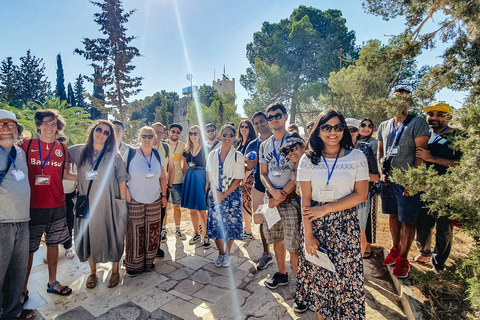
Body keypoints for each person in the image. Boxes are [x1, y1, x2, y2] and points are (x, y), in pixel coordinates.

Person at [295, 109, 369, 319]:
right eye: (326, 127)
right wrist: (308, 235)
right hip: (315, 225)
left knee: (347, 283)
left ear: (343, 130)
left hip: (345, 225)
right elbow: (306, 200)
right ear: (318, 131)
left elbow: (361, 195)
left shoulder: (357, 157)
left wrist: (325, 209)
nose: (332, 132)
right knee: (321, 283)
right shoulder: (307, 160)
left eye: (338, 127)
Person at [20, 109, 74, 300]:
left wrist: (87, 180)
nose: (49, 127)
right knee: (28, 249)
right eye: (45, 123)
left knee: (54, 245)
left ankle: (52, 282)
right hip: (32, 206)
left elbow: (65, 174)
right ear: (38, 125)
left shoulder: (62, 147)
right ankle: (23, 289)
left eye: (53, 123)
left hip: (57, 204)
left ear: (58, 126)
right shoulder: (26, 145)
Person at [68, 120, 128, 289]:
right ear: (93, 130)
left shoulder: (114, 155)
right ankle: (92, 272)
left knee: (115, 234)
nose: (102, 134)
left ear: (110, 136)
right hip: (87, 203)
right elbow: (57, 154)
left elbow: (122, 179)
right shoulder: (78, 152)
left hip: (110, 202)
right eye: (99, 130)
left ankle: (115, 270)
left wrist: (121, 204)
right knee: (88, 235)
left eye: (107, 132)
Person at [378, 87, 429, 278]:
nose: (399, 103)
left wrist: (413, 182)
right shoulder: (384, 125)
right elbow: (380, 152)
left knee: (407, 220)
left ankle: (404, 259)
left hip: (407, 182)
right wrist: (382, 172)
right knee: (392, 216)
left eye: (403, 99)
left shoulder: (417, 123)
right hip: (388, 181)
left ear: (409, 102)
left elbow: (421, 154)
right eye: (395, 99)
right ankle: (395, 250)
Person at [259, 102, 305, 311]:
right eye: (270, 117)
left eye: (277, 115)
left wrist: (283, 193)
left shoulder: (296, 142)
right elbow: (263, 173)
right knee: (276, 240)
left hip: (290, 200)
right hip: (272, 201)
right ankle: (282, 274)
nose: (273, 119)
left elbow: (300, 170)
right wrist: (272, 193)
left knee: (293, 246)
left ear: (285, 117)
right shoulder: (264, 145)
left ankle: (302, 290)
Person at [414, 102, 462, 272]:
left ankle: (439, 263)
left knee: (443, 228)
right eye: (431, 114)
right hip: (424, 188)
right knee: (422, 224)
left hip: (447, 190)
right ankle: (424, 253)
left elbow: (463, 165)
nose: (434, 117)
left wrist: (432, 159)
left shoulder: (458, 137)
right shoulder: (424, 135)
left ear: (448, 117)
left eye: (439, 114)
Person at [0, 110, 36, 320]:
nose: (5, 128)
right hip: (2, 221)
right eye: (1, 124)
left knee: (17, 269)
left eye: (10, 124)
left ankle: (13, 310)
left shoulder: (19, 151)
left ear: (17, 129)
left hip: (22, 220)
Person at [124, 126, 167, 277]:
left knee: (153, 232)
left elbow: (162, 177)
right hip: (135, 199)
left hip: (154, 199)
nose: (147, 139)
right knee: (135, 233)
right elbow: (121, 176)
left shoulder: (157, 154)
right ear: (139, 137)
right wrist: (126, 193)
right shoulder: (130, 154)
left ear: (154, 138)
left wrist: (164, 196)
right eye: (144, 136)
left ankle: (149, 263)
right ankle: (133, 266)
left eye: (150, 136)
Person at [206, 124, 245, 267]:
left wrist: (225, 194)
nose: (227, 137)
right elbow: (209, 174)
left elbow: (239, 178)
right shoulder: (212, 154)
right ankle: (220, 253)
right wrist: (215, 191)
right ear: (220, 136)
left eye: (230, 135)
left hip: (232, 196)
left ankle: (227, 253)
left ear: (234, 137)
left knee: (230, 225)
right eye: (224, 134)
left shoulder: (238, 155)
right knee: (216, 225)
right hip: (215, 194)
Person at [346, 118, 379, 259]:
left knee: (361, 231)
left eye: (353, 130)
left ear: (358, 131)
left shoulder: (365, 148)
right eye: (346, 130)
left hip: (361, 196)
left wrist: (355, 177)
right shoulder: (335, 149)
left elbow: (375, 177)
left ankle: (358, 265)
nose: (350, 133)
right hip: (341, 195)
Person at [245, 112, 274, 270]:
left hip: (278, 189)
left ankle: (282, 253)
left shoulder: (278, 140)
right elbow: (247, 167)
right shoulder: (252, 145)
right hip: (259, 188)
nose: (259, 125)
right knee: (262, 222)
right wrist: (250, 165)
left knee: (279, 222)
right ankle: (267, 253)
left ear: (268, 121)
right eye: (255, 123)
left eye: (262, 121)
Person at [152, 123, 181, 249]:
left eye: (160, 132)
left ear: (163, 134)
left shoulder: (167, 147)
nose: (157, 135)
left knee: (164, 213)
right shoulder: (140, 147)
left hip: (166, 186)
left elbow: (172, 168)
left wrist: (169, 186)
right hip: (147, 188)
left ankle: (156, 245)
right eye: (155, 132)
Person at [181, 125, 209, 247]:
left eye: (195, 133)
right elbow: (184, 166)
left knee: (202, 209)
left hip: (201, 178)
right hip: (190, 178)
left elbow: (210, 168)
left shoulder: (206, 149)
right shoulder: (186, 150)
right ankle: (196, 233)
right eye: (191, 133)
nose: (193, 136)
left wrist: (207, 183)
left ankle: (206, 235)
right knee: (192, 209)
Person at [357, 117, 379, 257]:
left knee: (368, 221)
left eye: (369, 126)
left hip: (368, 187)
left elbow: (375, 169)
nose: (366, 128)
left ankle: (367, 248)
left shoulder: (372, 144)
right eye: (363, 125)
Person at [164, 124, 187, 248]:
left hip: (177, 181)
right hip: (163, 181)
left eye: (178, 132)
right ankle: (163, 230)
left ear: (180, 134)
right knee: (164, 207)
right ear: (169, 132)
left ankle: (177, 229)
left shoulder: (183, 146)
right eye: (173, 131)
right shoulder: (162, 145)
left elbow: (183, 163)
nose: (175, 134)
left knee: (176, 207)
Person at [57, 132, 76, 260]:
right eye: (57, 139)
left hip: (69, 194)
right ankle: (51, 250)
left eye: (62, 139)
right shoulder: (48, 157)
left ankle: (68, 247)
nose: (60, 142)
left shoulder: (71, 156)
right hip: (53, 194)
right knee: (52, 224)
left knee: (69, 221)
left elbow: (76, 174)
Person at [236, 119, 256, 238]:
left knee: (246, 204)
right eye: (242, 126)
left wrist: (245, 177)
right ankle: (246, 228)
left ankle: (248, 231)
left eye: (246, 127)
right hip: (240, 177)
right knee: (242, 204)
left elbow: (252, 163)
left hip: (248, 178)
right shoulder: (240, 143)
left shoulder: (252, 143)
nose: (243, 128)